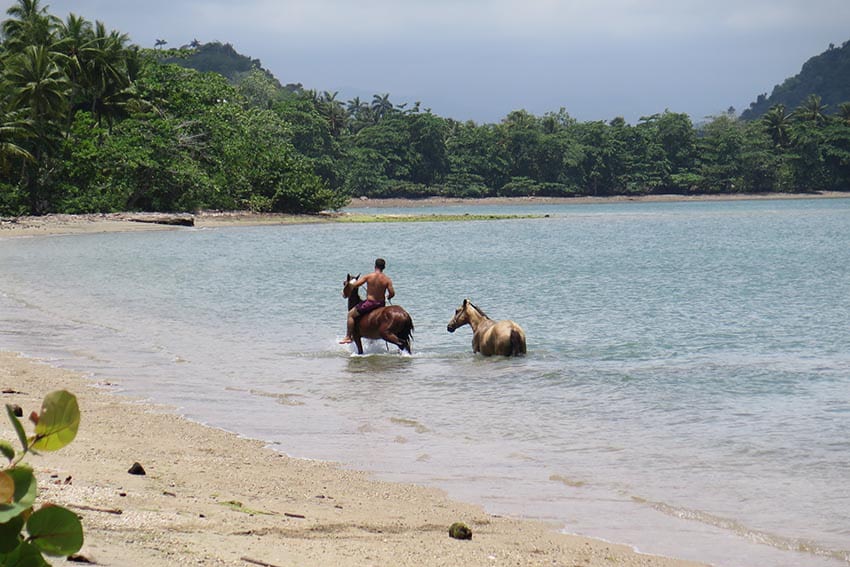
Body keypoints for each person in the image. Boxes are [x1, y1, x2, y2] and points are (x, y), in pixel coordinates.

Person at [339, 258, 395, 344]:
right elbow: (392, 293)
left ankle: (348, 337)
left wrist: (349, 283)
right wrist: (388, 296)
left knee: (350, 314)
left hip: (370, 303)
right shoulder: (387, 279)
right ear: (384, 267)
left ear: (375, 266)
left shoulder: (369, 276)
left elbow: (355, 285)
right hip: (381, 304)